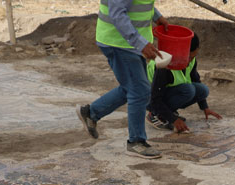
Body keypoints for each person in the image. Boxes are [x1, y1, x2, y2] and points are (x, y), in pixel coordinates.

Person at [76, 0, 168, 158]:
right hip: (119, 43)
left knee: (132, 88)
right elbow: (117, 13)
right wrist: (140, 43)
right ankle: (136, 142)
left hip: (130, 43)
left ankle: (91, 113)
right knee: (139, 91)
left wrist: (157, 16)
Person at [146, 34, 222, 134]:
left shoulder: (191, 60)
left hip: (165, 94)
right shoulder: (164, 66)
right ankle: (155, 115)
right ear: (181, 52)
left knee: (203, 90)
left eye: (193, 57)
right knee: (188, 90)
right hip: (150, 99)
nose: (190, 60)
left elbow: (196, 80)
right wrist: (173, 119)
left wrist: (205, 107)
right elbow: (155, 99)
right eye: (189, 57)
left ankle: (168, 112)